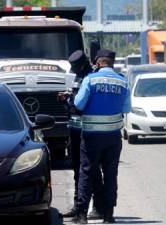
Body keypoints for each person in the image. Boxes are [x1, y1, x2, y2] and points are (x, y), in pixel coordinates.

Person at [72, 49, 131, 224]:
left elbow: (79, 103)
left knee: (86, 173)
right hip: (113, 137)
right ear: (112, 63)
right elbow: (126, 109)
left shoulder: (90, 79)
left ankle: (82, 215)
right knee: (111, 175)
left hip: (91, 136)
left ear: (97, 63)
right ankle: (108, 215)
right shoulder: (123, 81)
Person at [58, 50, 105, 220]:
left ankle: (99, 206)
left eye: (77, 67)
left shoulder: (93, 76)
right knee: (77, 169)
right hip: (75, 128)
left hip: (89, 130)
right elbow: (76, 99)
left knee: (92, 170)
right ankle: (79, 205)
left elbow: (85, 104)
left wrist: (72, 101)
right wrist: (67, 99)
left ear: (84, 64)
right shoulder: (77, 76)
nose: (75, 71)